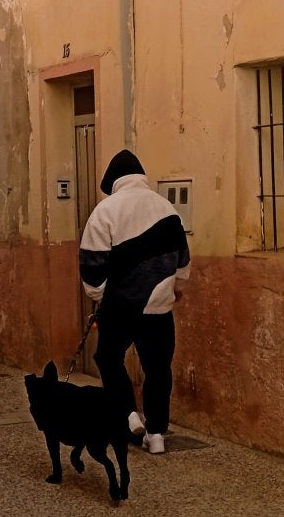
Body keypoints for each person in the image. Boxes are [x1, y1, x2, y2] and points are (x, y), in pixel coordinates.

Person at [78, 149, 190, 454]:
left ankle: (128, 416)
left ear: (114, 182)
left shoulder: (106, 210)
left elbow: (92, 263)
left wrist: (98, 296)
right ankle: (156, 435)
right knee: (158, 369)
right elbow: (182, 258)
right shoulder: (167, 209)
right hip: (159, 308)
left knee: (108, 359)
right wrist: (174, 287)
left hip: (120, 307)